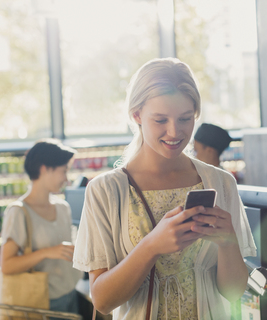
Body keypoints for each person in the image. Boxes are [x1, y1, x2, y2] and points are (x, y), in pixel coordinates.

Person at [73, 58, 256, 320]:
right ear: (136, 115)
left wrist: (228, 243)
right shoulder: (106, 191)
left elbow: (234, 292)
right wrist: (151, 246)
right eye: (160, 120)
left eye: (185, 119)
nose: (175, 132)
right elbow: (102, 301)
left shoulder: (220, 182)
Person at [0, 139, 83, 314]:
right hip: (43, 303)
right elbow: (7, 266)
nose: (67, 179)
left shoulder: (63, 208)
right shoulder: (18, 212)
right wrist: (47, 252)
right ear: (45, 169)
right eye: (64, 171)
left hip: (71, 294)